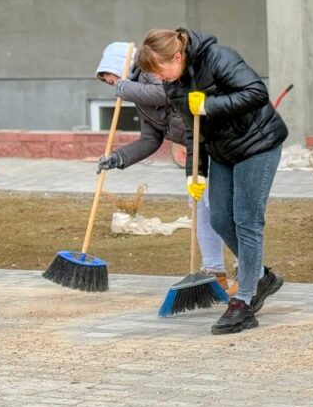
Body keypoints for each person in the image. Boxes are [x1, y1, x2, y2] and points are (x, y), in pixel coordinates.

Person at [136, 28, 288, 335]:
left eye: (160, 70)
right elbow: (193, 129)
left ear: (177, 56)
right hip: (221, 150)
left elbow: (257, 93)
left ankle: (243, 303)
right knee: (219, 219)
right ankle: (261, 276)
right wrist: (197, 173)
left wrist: (208, 105)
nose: (159, 78)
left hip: (257, 143)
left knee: (247, 220)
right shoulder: (174, 84)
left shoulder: (218, 57)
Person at [94, 42, 231, 292]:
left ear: (120, 66)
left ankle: (250, 272)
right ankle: (214, 272)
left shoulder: (153, 73)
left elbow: (166, 93)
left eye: (109, 76)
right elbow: (150, 140)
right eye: (105, 80)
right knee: (200, 206)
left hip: (219, 143)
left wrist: (127, 88)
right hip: (196, 150)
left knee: (218, 208)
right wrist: (117, 158)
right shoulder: (136, 96)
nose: (109, 82)